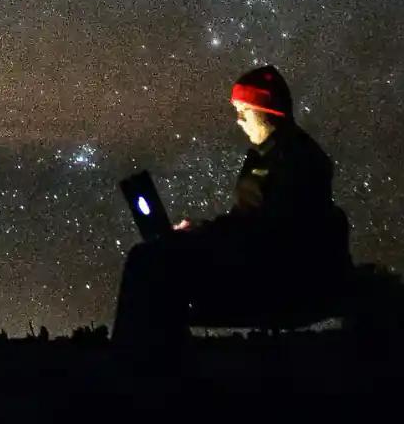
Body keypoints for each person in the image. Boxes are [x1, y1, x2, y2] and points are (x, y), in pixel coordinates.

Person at [111, 65, 351, 364]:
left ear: (268, 110)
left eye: (244, 110)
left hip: (270, 273)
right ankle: (154, 359)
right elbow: (248, 220)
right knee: (156, 256)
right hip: (251, 258)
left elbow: (272, 230)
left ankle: (137, 364)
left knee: (149, 260)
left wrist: (207, 236)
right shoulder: (266, 155)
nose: (238, 120)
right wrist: (203, 230)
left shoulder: (298, 160)